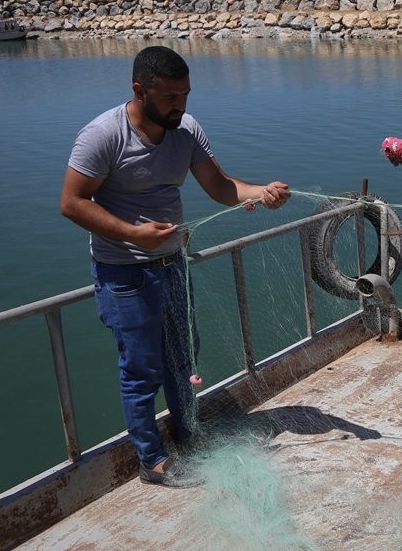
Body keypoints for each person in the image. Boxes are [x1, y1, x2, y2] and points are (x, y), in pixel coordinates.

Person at [60, 46, 291, 488]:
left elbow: (221, 188)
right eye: (169, 97)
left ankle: (190, 435)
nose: (180, 107)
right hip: (123, 274)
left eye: (186, 96)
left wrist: (261, 192)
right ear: (139, 90)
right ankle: (152, 461)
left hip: (172, 267)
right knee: (141, 368)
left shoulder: (186, 129)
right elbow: (70, 203)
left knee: (183, 359)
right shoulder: (102, 136)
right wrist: (132, 234)